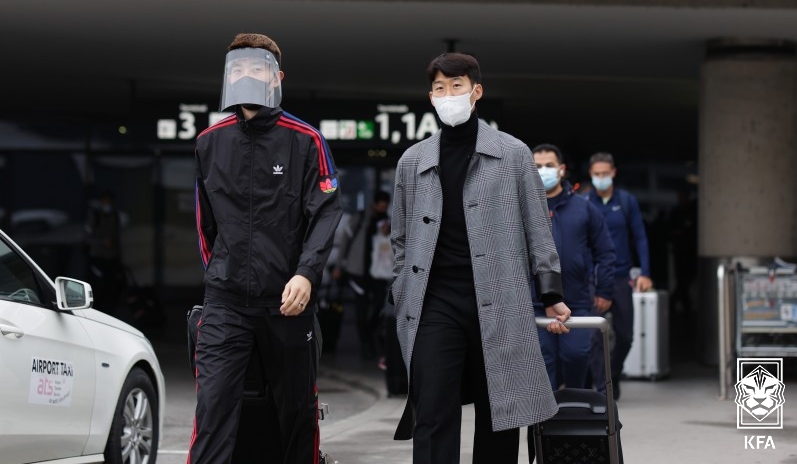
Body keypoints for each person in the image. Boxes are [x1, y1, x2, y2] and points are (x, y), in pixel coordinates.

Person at [389, 52, 571, 464]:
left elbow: (537, 229)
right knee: (432, 410)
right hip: (434, 300)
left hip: (501, 297)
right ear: (430, 97)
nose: (448, 95)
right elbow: (400, 236)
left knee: (500, 414)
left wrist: (550, 291)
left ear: (476, 92)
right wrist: (402, 287)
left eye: (457, 86)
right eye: (440, 88)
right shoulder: (412, 161)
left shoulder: (514, 154)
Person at [188, 33, 343, 464]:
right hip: (226, 302)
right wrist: (219, 273)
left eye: (255, 68)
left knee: (296, 411)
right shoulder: (209, 142)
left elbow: (327, 212)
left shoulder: (305, 140)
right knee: (212, 408)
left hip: (288, 303)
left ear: (276, 78)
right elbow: (205, 223)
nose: (245, 76)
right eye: (237, 69)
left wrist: (305, 274)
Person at [527, 144, 616, 461]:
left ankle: (578, 436)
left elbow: (605, 252)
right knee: (544, 376)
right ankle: (547, 446)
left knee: (578, 361)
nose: (543, 170)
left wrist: (605, 291)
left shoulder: (584, 208)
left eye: (548, 164)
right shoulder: (523, 209)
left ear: (562, 169)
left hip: (578, 304)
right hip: (536, 308)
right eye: (536, 165)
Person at [587, 151, 652, 401]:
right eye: (596, 174)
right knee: (593, 335)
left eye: (605, 173)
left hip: (621, 277)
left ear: (613, 173)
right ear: (591, 175)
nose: (601, 178)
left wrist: (645, 272)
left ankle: (612, 374)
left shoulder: (626, 201)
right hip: (593, 279)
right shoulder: (584, 202)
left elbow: (640, 237)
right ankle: (603, 388)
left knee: (626, 336)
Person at [332, 189, 393, 360]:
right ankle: (365, 343)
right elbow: (345, 242)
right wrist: (338, 266)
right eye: (380, 206)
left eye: (385, 206)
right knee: (362, 307)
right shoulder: (359, 218)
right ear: (374, 203)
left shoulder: (386, 221)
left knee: (380, 303)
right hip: (357, 271)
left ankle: (369, 334)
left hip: (378, 272)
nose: (382, 209)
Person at [85, 189, 125, 314]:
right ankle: (96, 310)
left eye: (110, 202)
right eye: (105, 201)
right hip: (97, 257)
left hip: (112, 258)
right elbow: (87, 237)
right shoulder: (94, 216)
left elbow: (117, 237)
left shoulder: (115, 216)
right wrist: (102, 242)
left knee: (112, 286)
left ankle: (109, 311)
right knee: (97, 286)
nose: (107, 204)